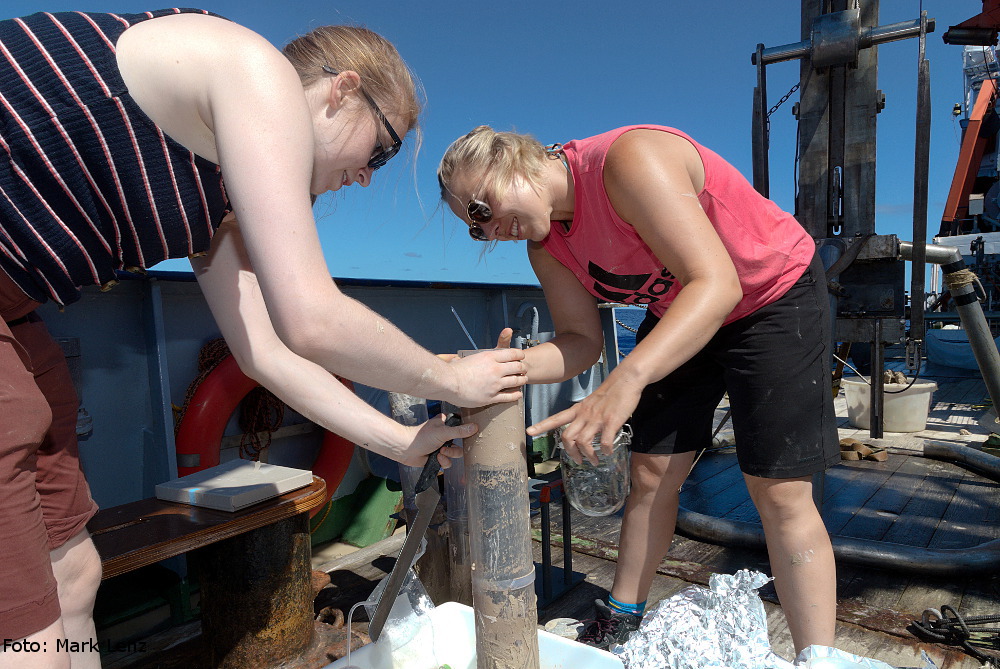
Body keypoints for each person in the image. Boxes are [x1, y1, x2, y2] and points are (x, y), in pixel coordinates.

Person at [0, 10, 526, 668]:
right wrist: (451, 379)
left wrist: (403, 443)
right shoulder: (258, 72)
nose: (367, 176)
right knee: (28, 629)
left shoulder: (222, 182)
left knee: (73, 572)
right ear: (341, 90)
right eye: (381, 149)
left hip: (17, 311)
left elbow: (266, 351)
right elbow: (311, 315)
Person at [437, 124, 840, 654]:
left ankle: (819, 657)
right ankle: (623, 615)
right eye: (474, 230)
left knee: (780, 490)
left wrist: (625, 381)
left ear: (510, 159)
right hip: (684, 311)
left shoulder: (627, 161)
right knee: (650, 470)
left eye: (481, 211)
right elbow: (582, 342)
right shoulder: (546, 246)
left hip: (771, 294)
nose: (488, 233)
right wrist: (506, 367)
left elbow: (717, 283)